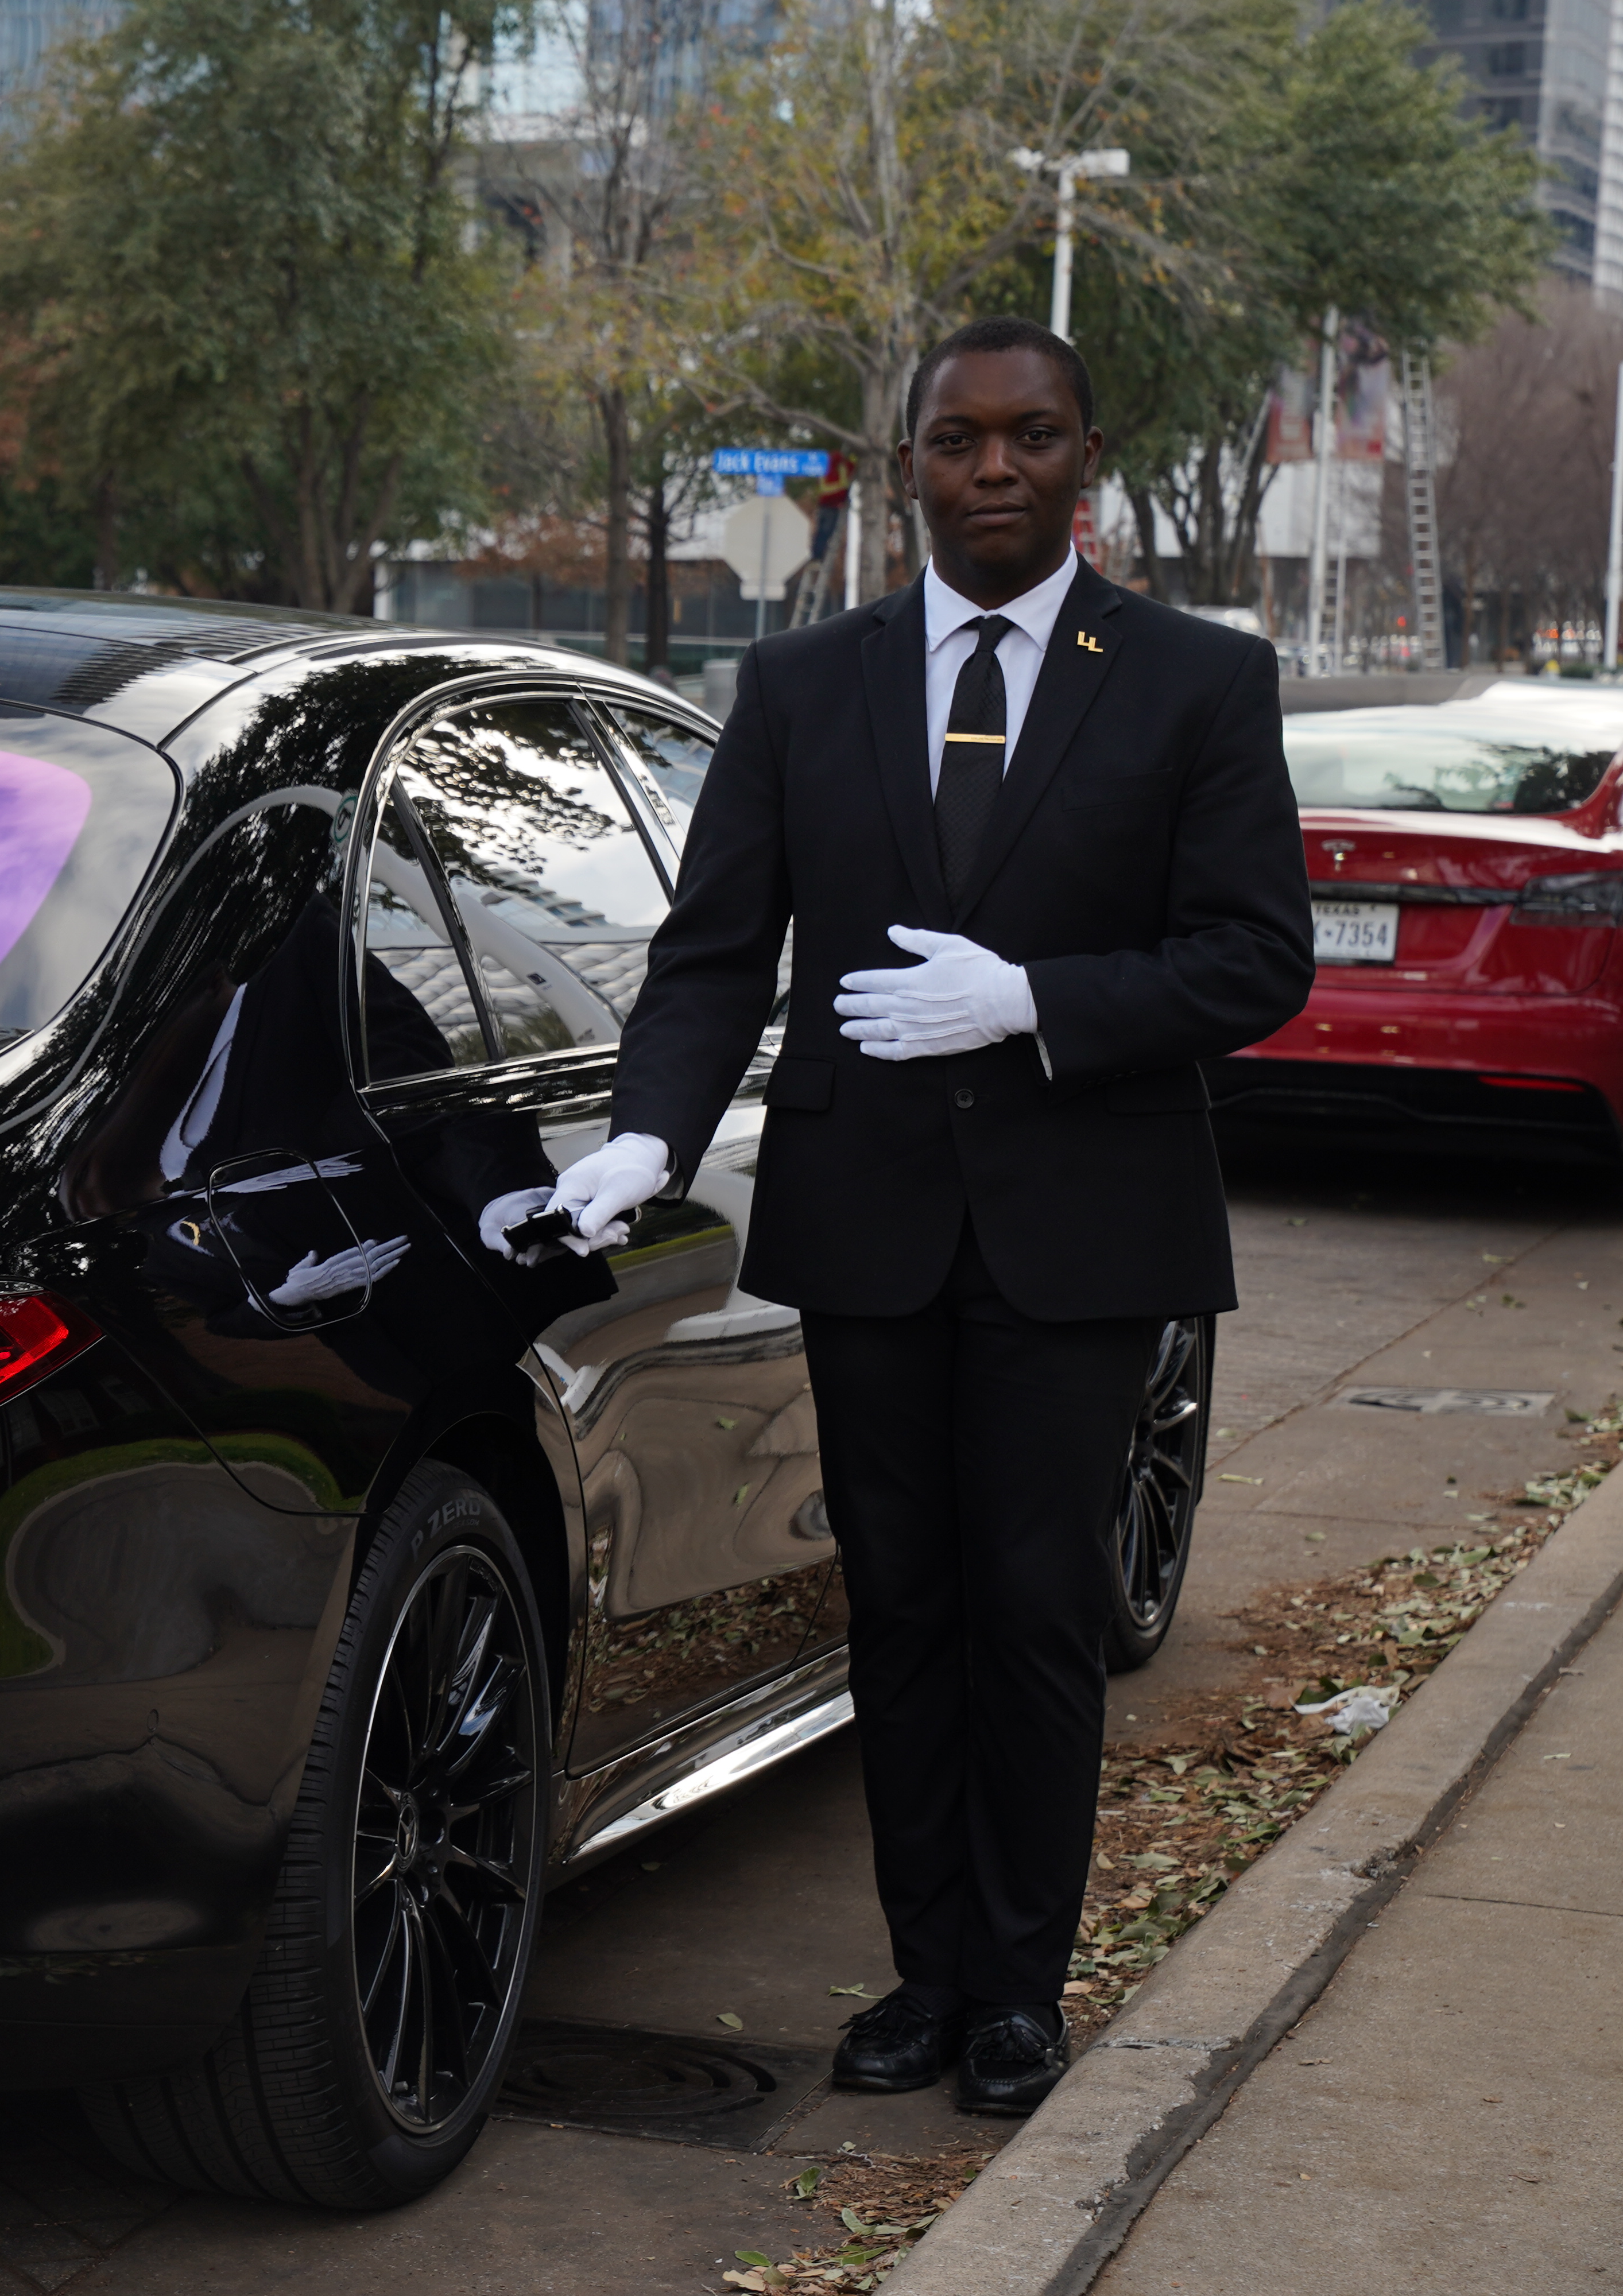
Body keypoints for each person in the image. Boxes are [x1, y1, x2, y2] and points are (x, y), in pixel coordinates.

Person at [500, 316, 1311, 2115]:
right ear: (909, 462)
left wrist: (1039, 1000)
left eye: (1032, 438)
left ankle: (1020, 1990)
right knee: (902, 1610)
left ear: (1085, 460)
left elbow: (1257, 961)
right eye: (959, 440)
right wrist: (647, 1136)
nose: (995, 469)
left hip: (1080, 1232)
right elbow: (715, 956)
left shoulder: (1190, 681)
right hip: (868, 1224)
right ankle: (923, 1975)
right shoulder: (805, 687)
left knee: (1035, 1606)